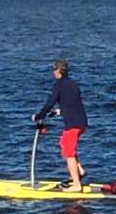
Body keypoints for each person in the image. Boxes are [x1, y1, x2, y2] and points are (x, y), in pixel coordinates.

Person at [32, 59, 88, 191]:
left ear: (58, 71)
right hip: (82, 122)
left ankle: (76, 184)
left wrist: (39, 116)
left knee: (68, 153)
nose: (53, 73)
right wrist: (60, 111)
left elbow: (49, 103)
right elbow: (73, 103)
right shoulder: (73, 84)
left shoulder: (59, 85)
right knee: (65, 144)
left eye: (54, 70)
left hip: (73, 124)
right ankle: (79, 171)